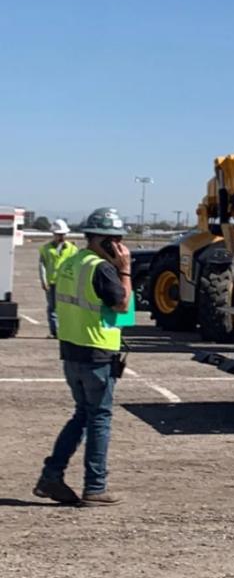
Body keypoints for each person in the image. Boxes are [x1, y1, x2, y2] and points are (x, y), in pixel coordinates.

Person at [34, 207, 132, 507]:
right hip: (96, 354)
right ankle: (95, 486)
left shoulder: (71, 262)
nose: (118, 245)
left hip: (72, 351)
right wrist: (125, 269)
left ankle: (51, 476)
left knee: (83, 415)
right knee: (99, 418)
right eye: (113, 239)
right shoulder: (101, 269)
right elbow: (122, 304)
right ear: (100, 239)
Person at [38, 219, 78, 338]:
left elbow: (76, 266)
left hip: (67, 283)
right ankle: (55, 332)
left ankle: (67, 330)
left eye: (63, 234)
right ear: (53, 234)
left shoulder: (72, 249)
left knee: (67, 307)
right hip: (52, 283)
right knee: (52, 308)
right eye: (59, 234)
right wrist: (43, 281)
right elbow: (42, 265)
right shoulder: (45, 249)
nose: (61, 237)